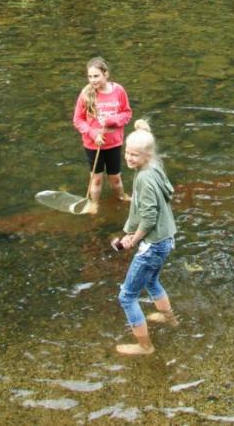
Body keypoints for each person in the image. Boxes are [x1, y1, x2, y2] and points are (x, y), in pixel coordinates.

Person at [114, 120, 177, 356]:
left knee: (127, 296)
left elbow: (149, 217)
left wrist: (133, 238)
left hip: (153, 244)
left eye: (134, 155)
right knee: (151, 281)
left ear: (147, 155)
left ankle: (145, 346)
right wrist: (143, 130)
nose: (129, 158)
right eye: (127, 153)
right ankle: (169, 319)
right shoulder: (155, 165)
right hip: (167, 238)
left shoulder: (143, 179)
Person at [73, 56, 132, 214]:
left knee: (115, 177)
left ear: (106, 74)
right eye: (90, 76)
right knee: (96, 178)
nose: (92, 80)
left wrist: (114, 120)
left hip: (114, 143)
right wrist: (92, 133)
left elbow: (127, 113)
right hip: (93, 145)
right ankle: (94, 203)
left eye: (96, 76)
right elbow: (78, 120)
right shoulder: (86, 94)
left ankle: (121, 196)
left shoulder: (118, 90)